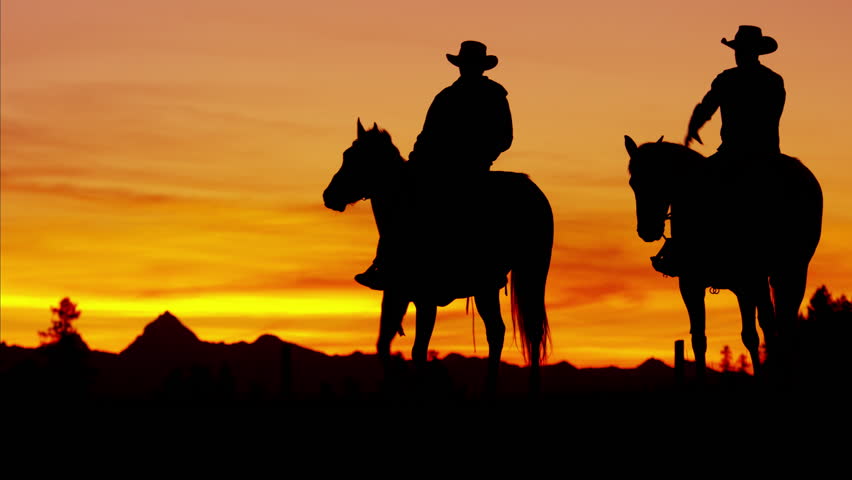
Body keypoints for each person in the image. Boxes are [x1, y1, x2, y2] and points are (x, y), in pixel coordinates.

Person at [355, 40, 513, 290]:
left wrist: (474, 152)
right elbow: (426, 134)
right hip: (436, 164)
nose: (466, 69)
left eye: (471, 64)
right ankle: (386, 263)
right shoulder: (446, 96)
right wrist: (417, 159)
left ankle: (479, 264)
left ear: (480, 67)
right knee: (398, 197)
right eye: (464, 64)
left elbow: (504, 137)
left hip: (473, 165)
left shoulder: (493, 95)